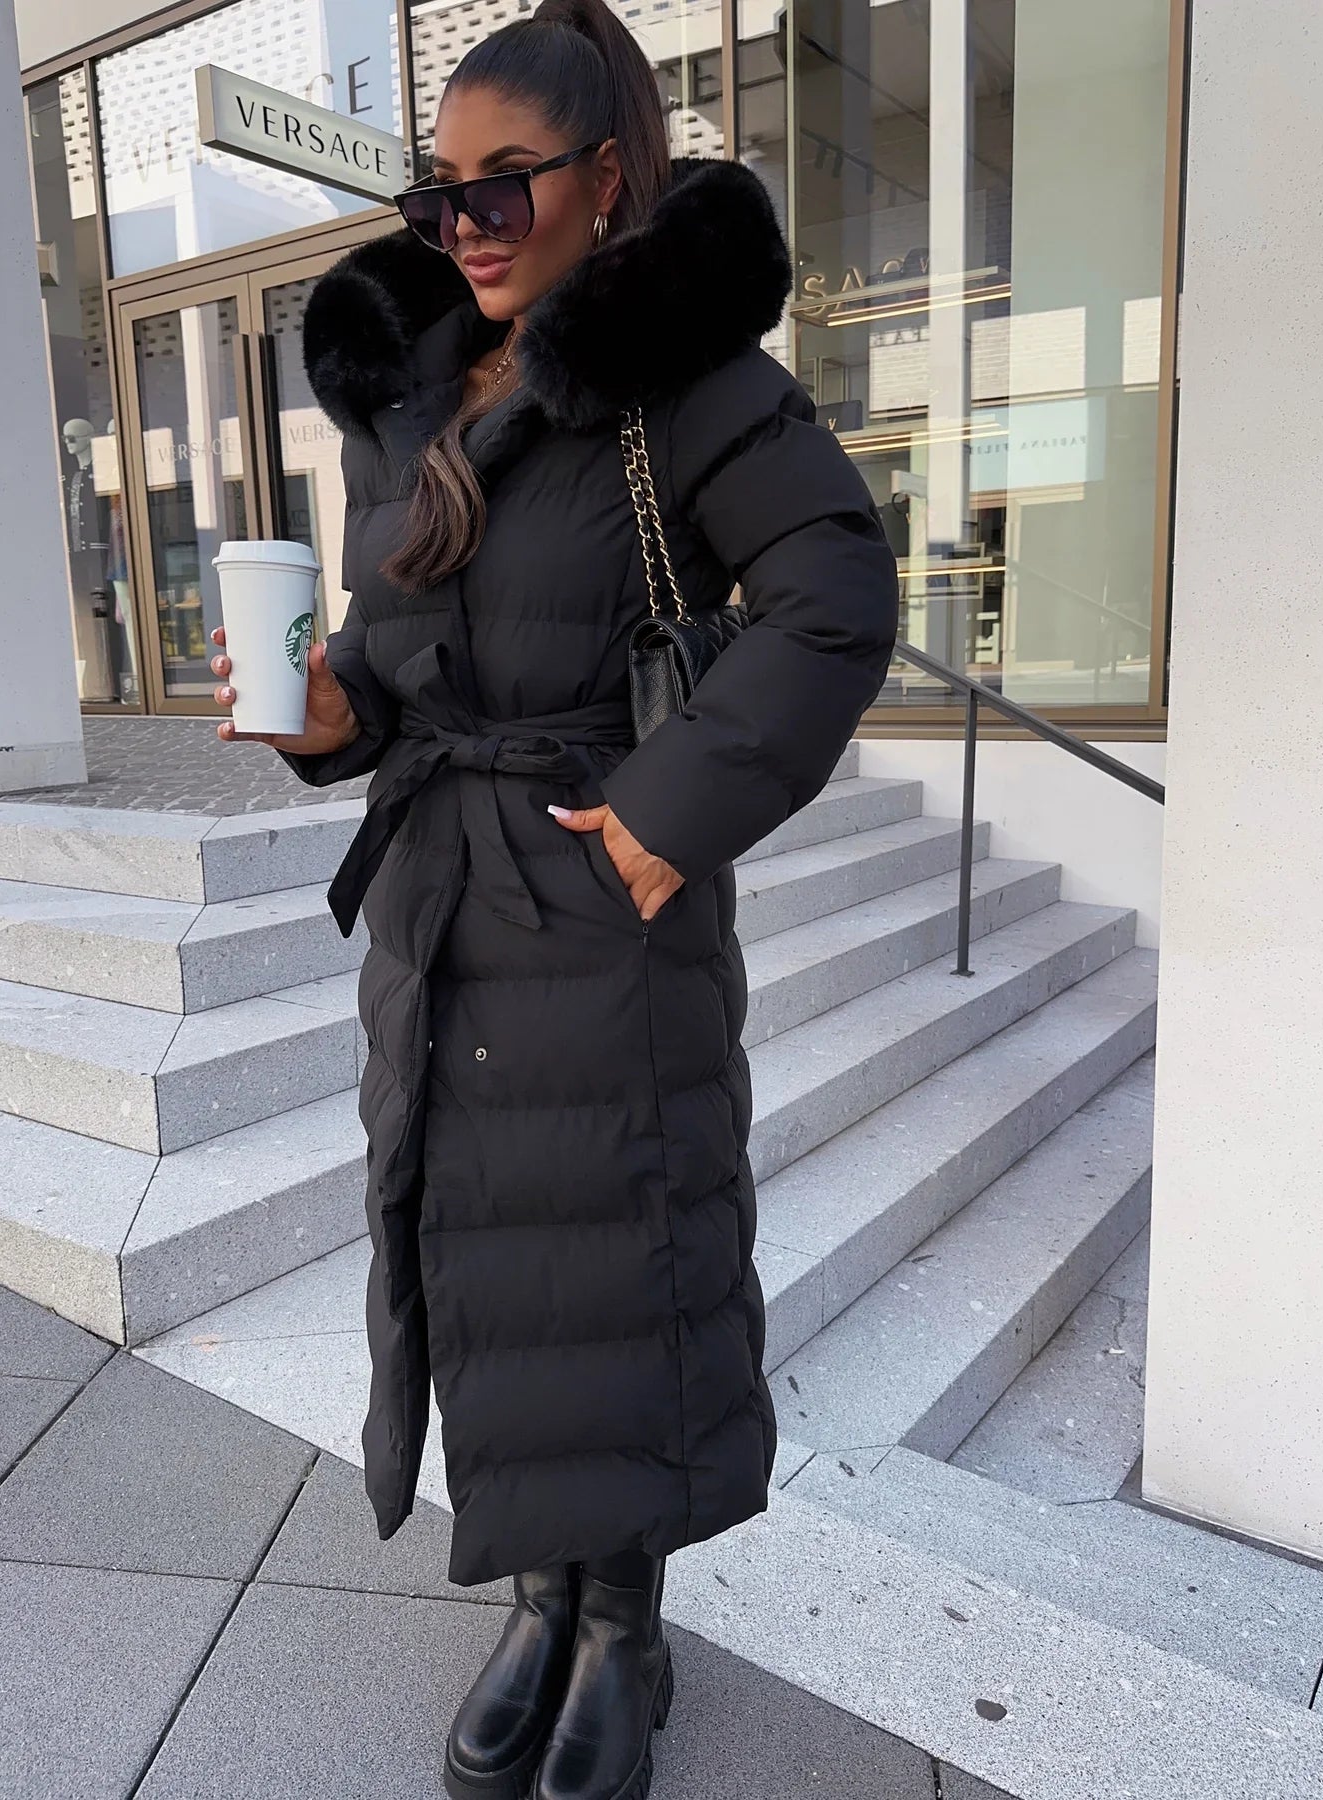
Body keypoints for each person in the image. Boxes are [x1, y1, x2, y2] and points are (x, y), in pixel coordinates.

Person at [211, 1, 898, 1792]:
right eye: (440, 192)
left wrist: (671, 811)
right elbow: (395, 661)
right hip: (438, 923)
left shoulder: (690, 379)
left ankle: (624, 1627)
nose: (468, 225)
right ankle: (539, 1594)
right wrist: (331, 716)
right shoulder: (410, 398)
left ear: (605, 178)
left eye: (505, 183)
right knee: (492, 1271)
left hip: (603, 914)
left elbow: (837, 590)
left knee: (620, 1267)